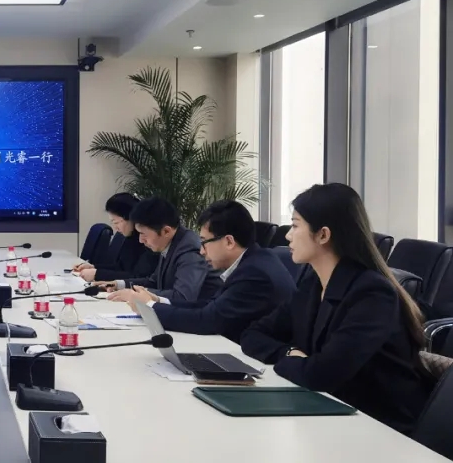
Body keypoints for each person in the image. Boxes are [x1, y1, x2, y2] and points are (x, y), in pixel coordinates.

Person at [240, 183, 435, 434]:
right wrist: (290, 352)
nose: (288, 235)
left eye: (296, 225)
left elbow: (321, 375)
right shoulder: (313, 285)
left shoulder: (372, 294)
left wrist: (291, 361)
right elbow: (252, 335)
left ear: (323, 235)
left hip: (381, 428)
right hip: (332, 413)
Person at [126, 200, 296, 343]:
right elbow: (209, 306)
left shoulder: (254, 274)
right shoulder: (252, 261)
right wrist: (157, 300)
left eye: (205, 242)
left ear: (229, 242)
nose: (201, 251)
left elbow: (207, 321)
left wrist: (149, 307)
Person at [98, 197, 221, 303]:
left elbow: (183, 297)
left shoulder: (189, 250)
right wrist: (119, 284)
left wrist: (139, 294)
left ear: (166, 231)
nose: (141, 240)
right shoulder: (170, 242)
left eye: (143, 234)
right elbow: (154, 282)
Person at [75, 193, 158, 282]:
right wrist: (94, 267)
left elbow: (138, 277)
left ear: (130, 218)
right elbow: (121, 267)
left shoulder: (147, 240)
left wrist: (98, 274)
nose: (115, 228)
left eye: (116, 222)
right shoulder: (130, 237)